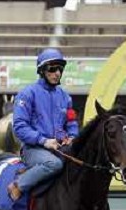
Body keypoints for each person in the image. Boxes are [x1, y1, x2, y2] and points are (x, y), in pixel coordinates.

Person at [7, 48, 79, 201]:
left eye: (60, 69)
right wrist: (44, 141)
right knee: (54, 164)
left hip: (59, 148)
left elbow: (71, 122)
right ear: (41, 71)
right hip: (33, 149)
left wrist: (72, 136)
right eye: (52, 69)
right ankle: (18, 185)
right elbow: (19, 126)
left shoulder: (65, 97)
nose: (57, 73)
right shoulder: (27, 93)